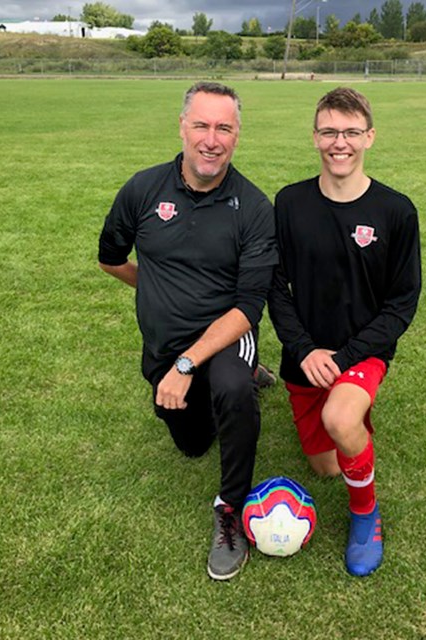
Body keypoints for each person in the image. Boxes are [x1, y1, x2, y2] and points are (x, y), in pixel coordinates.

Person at [98, 82, 277, 581]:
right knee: (192, 442)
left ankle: (230, 511)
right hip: (164, 345)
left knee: (233, 390)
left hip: (225, 334)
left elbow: (247, 308)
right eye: (201, 125)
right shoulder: (142, 190)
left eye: (224, 128)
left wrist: (186, 364)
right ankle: (230, 379)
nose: (211, 139)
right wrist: (154, 285)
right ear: (182, 127)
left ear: (237, 136)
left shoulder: (255, 208)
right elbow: (111, 259)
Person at [267, 87, 422, 577]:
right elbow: (275, 287)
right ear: (315, 137)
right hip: (305, 358)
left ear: (369, 137)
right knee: (327, 466)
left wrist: (347, 355)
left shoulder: (396, 211)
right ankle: (353, 419)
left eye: (352, 132)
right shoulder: (289, 203)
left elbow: (401, 304)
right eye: (330, 131)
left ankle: (365, 516)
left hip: (362, 352)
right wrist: (304, 347)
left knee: (339, 418)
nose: (341, 142)